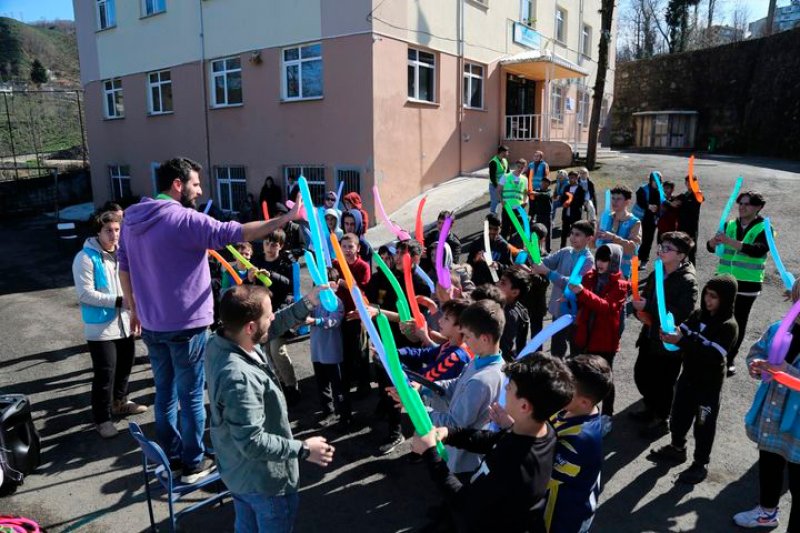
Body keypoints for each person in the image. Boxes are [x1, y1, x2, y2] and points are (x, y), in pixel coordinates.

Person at [118, 157, 301, 484]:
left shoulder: (132, 218)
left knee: (165, 392)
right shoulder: (183, 219)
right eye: (196, 184)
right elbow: (239, 231)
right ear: (178, 184)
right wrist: (286, 218)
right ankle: (193, 463)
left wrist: (133, 308)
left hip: (152, 324)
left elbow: (125, 267)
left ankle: (171, 458)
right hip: (186, 326)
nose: (200, 191)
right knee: (190, 396)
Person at [206, 284, 334, 532]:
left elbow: (270, 329)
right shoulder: (238, 378)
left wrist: (307, 302)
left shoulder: (222, 339)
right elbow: (252, 442)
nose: (274, 317)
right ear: (250, 327)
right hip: (263, 483)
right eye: (269, 313)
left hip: (238, 474)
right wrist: (305, 448)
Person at [412, 354, 574, 532]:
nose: (505, 388)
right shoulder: (541, 431)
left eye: (509, 387)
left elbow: (466, 504)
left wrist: (430, 455)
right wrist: (450, 433)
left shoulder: (517, 466)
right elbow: (495, 440)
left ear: (524, 407)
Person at [650, 274, 739, 484]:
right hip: (688, 376)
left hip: (708, 386)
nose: (708, 300)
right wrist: (671, 332)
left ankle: (700, 464)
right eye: (707, 294)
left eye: (714, 297)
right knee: (679, 414)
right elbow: (683, 330)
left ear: (725, 299)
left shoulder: (728, 326)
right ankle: (677, 447)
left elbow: (714, 355)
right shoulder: (699, 314)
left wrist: (682, 341)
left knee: (703, 424)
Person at [72, 209, 146, 439]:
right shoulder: (85, 258)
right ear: (98, 232)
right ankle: (102, 419)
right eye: (109, 231)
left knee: (125, 365)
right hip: (101, 328)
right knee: (105, 374)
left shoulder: (123, 254)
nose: (114, 235)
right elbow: (85, 294)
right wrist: (119, 301)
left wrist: (135, 309)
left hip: (124, 322)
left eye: (117, 230)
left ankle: (120, 402)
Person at [733, 280, 800, 530]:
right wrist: (757, 364)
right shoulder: (778, 328)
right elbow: (757, 351)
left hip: (798, 425)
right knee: (769, 465)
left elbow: (785, 372)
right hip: (773, 412)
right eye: (798, 295)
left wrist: (787, 371)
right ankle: (767, 511)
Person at [631, 231, 699, 439]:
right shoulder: (658, 270)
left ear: (681, 255)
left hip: (668, 343)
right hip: (649, 334)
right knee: (642, 375)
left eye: (668, 248)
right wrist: (639, 310)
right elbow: (646, 296)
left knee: (663, 382)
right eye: (661, 246)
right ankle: (650, 407)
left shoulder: (688, 281)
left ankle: (661, 418)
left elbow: (683, 312)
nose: (661, 250)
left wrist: (648, 307)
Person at [706, 190, 770, 376]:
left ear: (758, 207)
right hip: (723, 282)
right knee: (714, 318)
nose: (742, 207)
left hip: (747, 284)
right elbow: (712, 249)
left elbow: (758, 250)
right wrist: (713, 242)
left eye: (747, 204)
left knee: (738, 323)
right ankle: (710, 353)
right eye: (740, 203)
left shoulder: (764, 227)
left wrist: (730, 241)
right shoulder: (730, 224)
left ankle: (729, 358)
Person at [545, 355, 612, 533]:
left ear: (584, 402)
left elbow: (542, 469)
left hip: (562, 521)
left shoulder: (581, 441)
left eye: (566, 386)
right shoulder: (569, 408)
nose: (557, 386)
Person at [569, 244, 629, 436]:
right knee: (582, 376)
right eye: (599, 259)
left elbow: (606, 307)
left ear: (614, 262)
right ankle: (582, 411)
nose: (601, 263)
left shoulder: (621, 284)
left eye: (606, 260)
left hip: (605, 341)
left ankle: (607, 416)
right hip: (585, 336)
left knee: (605, 379)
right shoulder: (589, 277)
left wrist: (582, 293)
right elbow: (582, 302)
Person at [532, 220, 595, 358]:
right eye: (572, 233)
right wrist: (532, 253)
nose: (572, 237)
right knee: (557, 348)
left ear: (589, 238)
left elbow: (573, 285)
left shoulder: (589, 261)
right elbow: (544, 263)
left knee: (576, 350)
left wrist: (548, 272)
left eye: (577, 234)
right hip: (559, 310)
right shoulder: (565, 251)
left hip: (576, 313)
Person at [255, 231, 299, 402]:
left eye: (274, 244)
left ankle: (291, 386)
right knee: (266, 352)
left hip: (279, 313)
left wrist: (270, 275)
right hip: (261, 314)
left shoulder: (285, 263)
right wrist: (250, 278)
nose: (270, 247)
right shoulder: (257, 260)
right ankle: (280, 384)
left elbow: (289, 285)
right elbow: (249, 286)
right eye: (267, 243)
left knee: (277, 351)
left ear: (281, 246)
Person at [309, 268, 350, 427]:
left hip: (332, 352)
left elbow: (334, 321)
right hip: (317, 351)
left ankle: (345, 416)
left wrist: (315, 321)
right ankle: (328, 412)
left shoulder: (336, 302)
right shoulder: (314, 301)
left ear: (333, 285)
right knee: (322, 385)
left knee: (338, 386)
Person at [333, 233, 372, 398]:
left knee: (360, 350)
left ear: (358, 248)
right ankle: (347, 382)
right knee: (344, 351)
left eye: (351, 246)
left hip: (357, 315)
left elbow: (364, 289)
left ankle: (365, 384)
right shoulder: (336, 264)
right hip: (339, 314)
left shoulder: (363, 266)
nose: (347, 250)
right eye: (344, 247)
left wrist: (344, 283)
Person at [397, 299, 472, 382]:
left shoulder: (455, 358)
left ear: (460, 327)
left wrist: (396, 368)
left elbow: (424, 380)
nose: (440, 320)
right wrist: (397, 353)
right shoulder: (448, 345)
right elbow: (425, 354)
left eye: (446, 318)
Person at [595, 185, 642, 279]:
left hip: (621, 273)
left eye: (618, 199)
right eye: (613, 198)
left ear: (627, 202)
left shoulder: (634, 222)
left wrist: (613, 238)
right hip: (601, 268)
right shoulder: (605, 218)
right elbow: (594, 244)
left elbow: (633, 249)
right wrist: (592, 237)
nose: (614, 202)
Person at [466, 213, 512, 286]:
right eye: (489, 228)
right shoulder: (477, 243)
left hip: (495, 285)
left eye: (496, 229)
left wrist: (498, 265)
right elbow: (468, 264)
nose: (492, 232)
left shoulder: (504, 245)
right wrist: (475, 259)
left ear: (500, 228)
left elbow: (509, 267)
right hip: (478, 283)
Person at [498, 266, 531, 363]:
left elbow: (505, 347)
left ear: (515, 292)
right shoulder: (518, 308)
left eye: (503, 283)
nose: (497, 284)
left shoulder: (508, 315)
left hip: (504, 364)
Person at [633, 172, 662, 267]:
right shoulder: (642, 189)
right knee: (637, 238)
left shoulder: (660, 190)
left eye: (658, 181)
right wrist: (648, 206)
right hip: (640, 217)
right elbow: (640, 201)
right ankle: (634, 258)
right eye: (654, 180)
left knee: (648, 239)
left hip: (652, 219)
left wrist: (657, 210)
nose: (656, 183)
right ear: (651, 180)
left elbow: (663, 202)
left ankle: (644, 260)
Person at [674, 174, 702, 265]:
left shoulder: (698, 194)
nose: (688, 184)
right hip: (682, 226)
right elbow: (674, 201)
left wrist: (681, 202)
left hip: (691, 228)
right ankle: (680, 271)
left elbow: (692, 206)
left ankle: (692, 273)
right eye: (687, 182)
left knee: (691, 252)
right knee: (680, 250)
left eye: (690, 182)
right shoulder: (685, 194)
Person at [558, 171, 586, 249]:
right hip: (566, 214)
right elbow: (562, 198)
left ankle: (576, 249)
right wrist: (563, 202)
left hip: (576, 214)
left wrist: (571, 201)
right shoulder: (567, 187)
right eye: (570, 178)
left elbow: (581, 201)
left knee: (576, 233)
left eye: (573, 177)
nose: (571, 179)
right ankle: (562, 249)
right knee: (564, 233)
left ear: (577, 178)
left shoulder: (580, 188)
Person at [529, 177, 553, 253]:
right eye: (542, 182)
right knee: (537, 232)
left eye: (546, 182)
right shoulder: (536, 191)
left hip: (547, 215)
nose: (543, 183)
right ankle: (537, 249)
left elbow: (547, 195)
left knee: (548, 233)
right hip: (538, 215)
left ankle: (548, 250)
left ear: (549, 184)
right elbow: (532, 203)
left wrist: (536, 194)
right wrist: (531, 215)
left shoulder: (549, 191)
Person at [488, 145, 510, 214]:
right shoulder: (493, 162)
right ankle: (492, 214)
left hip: (503, 184)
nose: (508, 153)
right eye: (507, 152)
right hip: (495, 185)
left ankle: (503, 214)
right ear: (502, 152)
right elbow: (492, 177)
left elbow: (508, 172)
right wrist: (497, 187)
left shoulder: (505, 160)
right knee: (495, 200)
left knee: (504, 200)